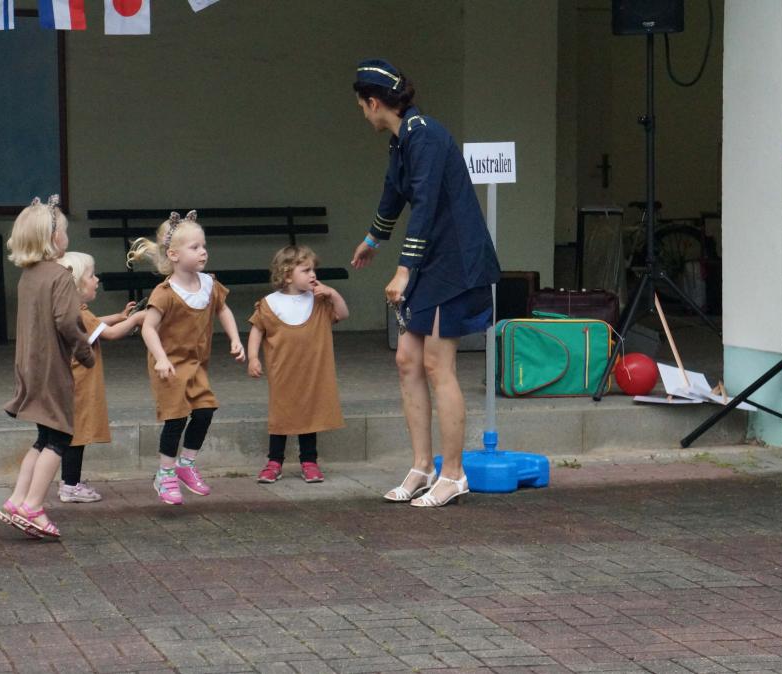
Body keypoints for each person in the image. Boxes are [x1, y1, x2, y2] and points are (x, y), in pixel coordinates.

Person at [349, 58, 501, 507]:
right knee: (407, 360)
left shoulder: (426, 135)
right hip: (431, 262)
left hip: (454, 263)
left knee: (437, 365)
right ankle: (422, 466)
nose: (362, 115)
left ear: (373, 103)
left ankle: (454, 474)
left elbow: (427, 205)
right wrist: (372, 239)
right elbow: (394, 193)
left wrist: (403, 269)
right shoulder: (403, 140)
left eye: (361, 107)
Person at [126, 211, 246, 505]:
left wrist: (235, 338)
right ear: (174, 255)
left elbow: (223, 309)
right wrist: (160, 358)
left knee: (205, 410)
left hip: (195, 365)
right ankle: (165, 473)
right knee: (176, 417)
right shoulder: (165, 292)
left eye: (204, 245)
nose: (203, 251)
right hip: (168, 366)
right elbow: (148, 328)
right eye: (195, 247)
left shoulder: (209, 284)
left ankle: (186, 464)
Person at [0, 196, 93, 538]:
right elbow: (67, 322)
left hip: (29, 365)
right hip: (52, 368)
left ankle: (17, 499)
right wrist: (84, 351)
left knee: (43, 437)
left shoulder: (28, 276)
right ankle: (33, 506)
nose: (67, 236)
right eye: (64, 231)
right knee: (62, 437)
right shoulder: (60, 276)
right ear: (53, 238)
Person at [247, 245, 349, 483]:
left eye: (313, 270)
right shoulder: (270, 303)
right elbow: (257, 330)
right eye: (306, 270)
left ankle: (309, 461)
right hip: (283, 372)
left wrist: (333, 293)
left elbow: (343, 314)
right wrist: (253, 357)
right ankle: (274, 461)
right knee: (280, 416)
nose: (313, 274)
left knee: (309, 415)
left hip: (312, 373)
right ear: (287, 275)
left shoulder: (319, 301)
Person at [54, 252, 147, 503]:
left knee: (72, 435)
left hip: (69, 384)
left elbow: (96, 324)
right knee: (78, 436)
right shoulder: (80, 314)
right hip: (80, 386)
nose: (97, 280)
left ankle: (68, 481)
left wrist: (119, 317)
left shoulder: (73, 311)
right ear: (76, 285)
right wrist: (137, 319)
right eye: (91, 276)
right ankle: (71, 486)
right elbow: (111, 334)